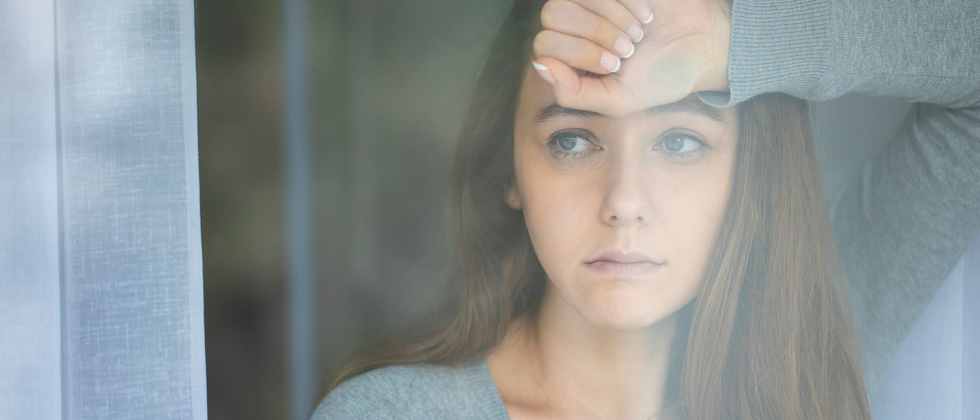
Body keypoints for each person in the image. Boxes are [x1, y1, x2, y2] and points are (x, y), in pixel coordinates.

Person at [312, 0, 980, 418]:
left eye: (680, 141)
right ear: (508, 169)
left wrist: (734, 40)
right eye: (572, 140)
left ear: (746, 174)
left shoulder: (806, 364)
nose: (624, 201)